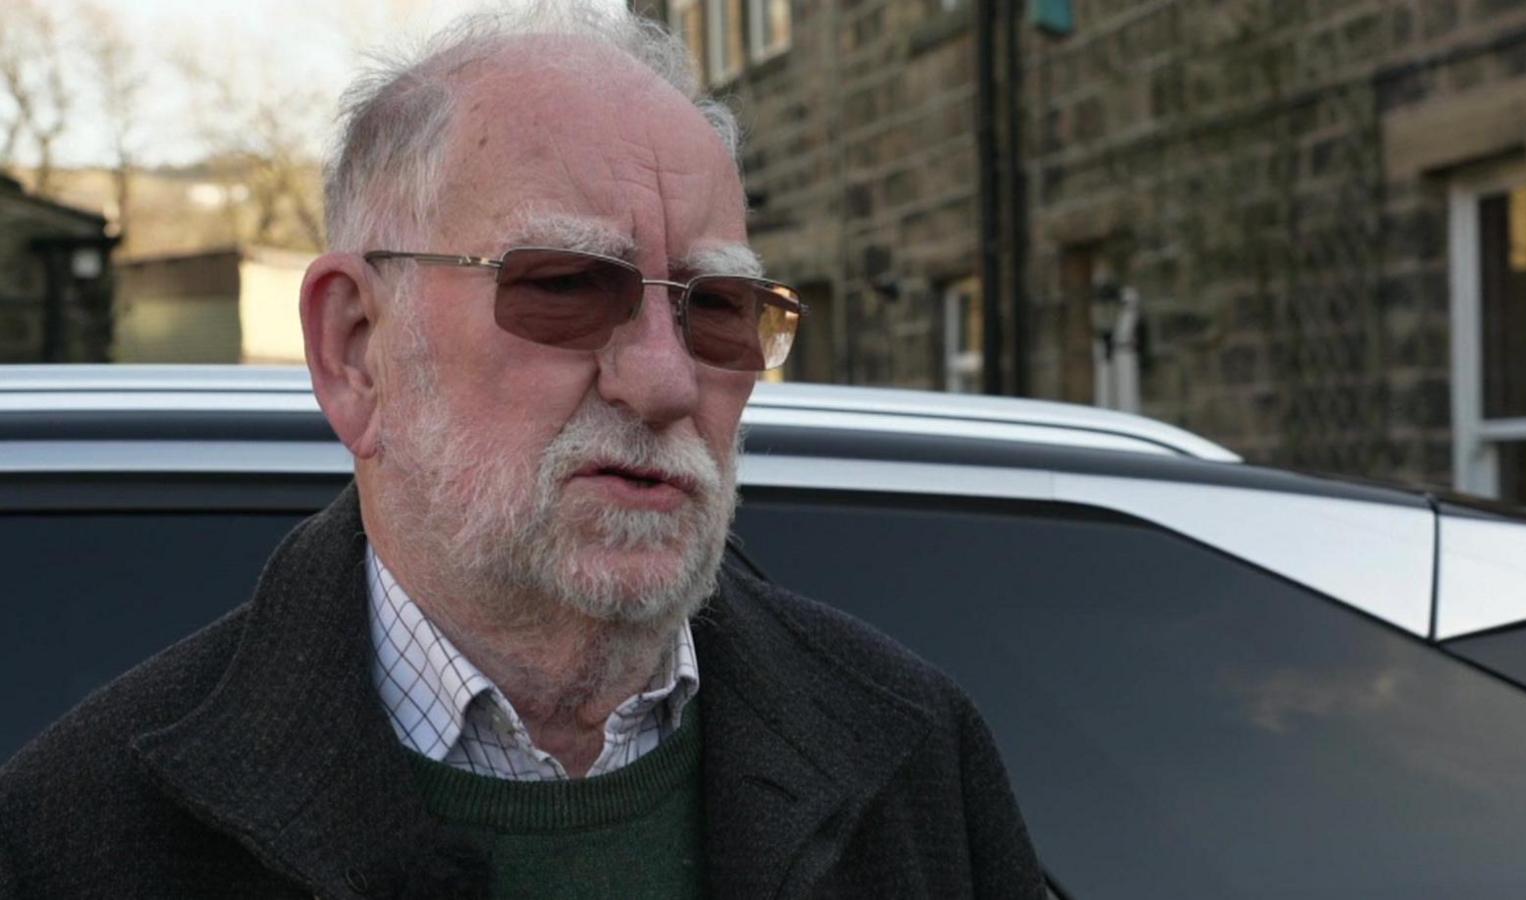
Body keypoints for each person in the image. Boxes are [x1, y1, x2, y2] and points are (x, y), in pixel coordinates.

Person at [0, 5, 1042, 897]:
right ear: (357, 350)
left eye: (720, 308)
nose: (667, 380)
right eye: (565, 287)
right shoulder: (79, 835)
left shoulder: (915, 758)